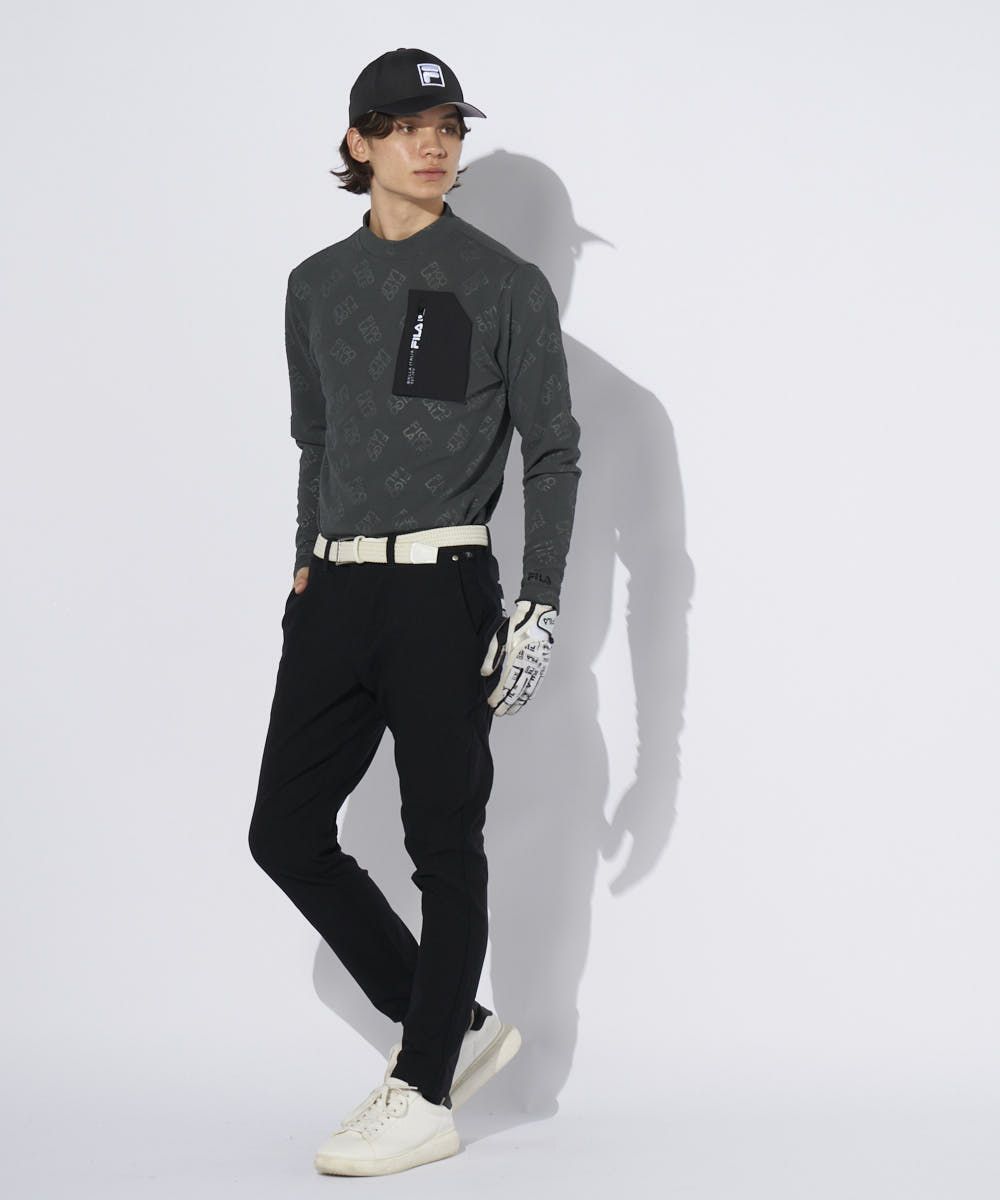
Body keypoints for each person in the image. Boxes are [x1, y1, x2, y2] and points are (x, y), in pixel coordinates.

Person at [247, 47, 582, 1176]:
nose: (432, 144)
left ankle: (425, 1088)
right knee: (285, 832)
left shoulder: (502, 284)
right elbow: (317, 440)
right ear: (360, 143)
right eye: (404, 126)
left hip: (444, 590)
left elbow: (553, 452)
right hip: (335, 588)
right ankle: (456, 1028)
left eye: (448, 126)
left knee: (444, 842)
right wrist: (305, 563)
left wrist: (538, 604)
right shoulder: (314, 285)